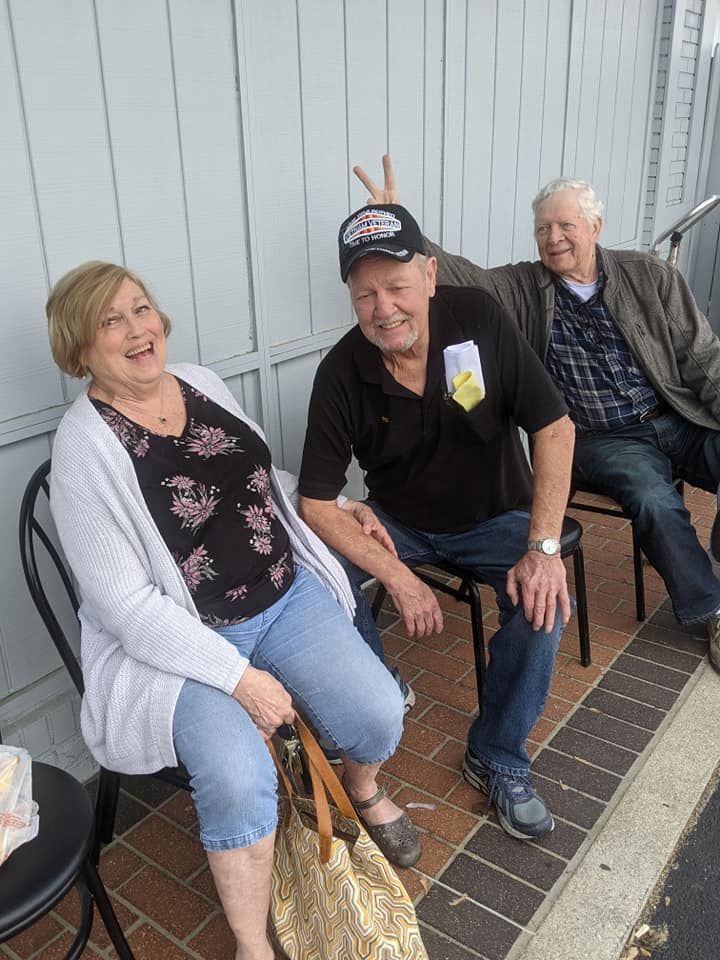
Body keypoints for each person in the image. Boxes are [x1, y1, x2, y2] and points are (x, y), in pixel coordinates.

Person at [45, 261, 421, 960]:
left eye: (141, 308)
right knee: (240, 778)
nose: (137, 329)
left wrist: (337, 507)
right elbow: (126, 608)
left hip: (283, 593)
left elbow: (255, 479)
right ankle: (253, 944)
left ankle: (361, 791)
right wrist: (239, 678)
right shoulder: (82, 451)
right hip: (181, 641)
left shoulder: (201, 382)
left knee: (377, 713)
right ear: (80, 347)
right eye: (111, 320)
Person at [355, 156, 720, 671]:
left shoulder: (650, 276)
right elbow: (459, 275)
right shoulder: (524, 288)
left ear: (595, 226)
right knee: (653, 500)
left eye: (566, 225)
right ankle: (712, 608)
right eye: (543, 228)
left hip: (673, 414)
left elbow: (703, 360)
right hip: (604, 438)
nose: (554, 238)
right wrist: (402, 228)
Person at [297, 202, 576, 840]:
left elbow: (555, 429)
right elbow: (315, 503)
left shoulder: (476, 316)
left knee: (545, 604)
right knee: (318, 576)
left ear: (429, 275)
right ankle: (374, 689)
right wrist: (396, 574)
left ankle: (497, 755)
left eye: (396, 286)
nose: (383, 307)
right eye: (364, 293)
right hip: (398, 523)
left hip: (496, 515)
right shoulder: (341, 372)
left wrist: (543, 547)